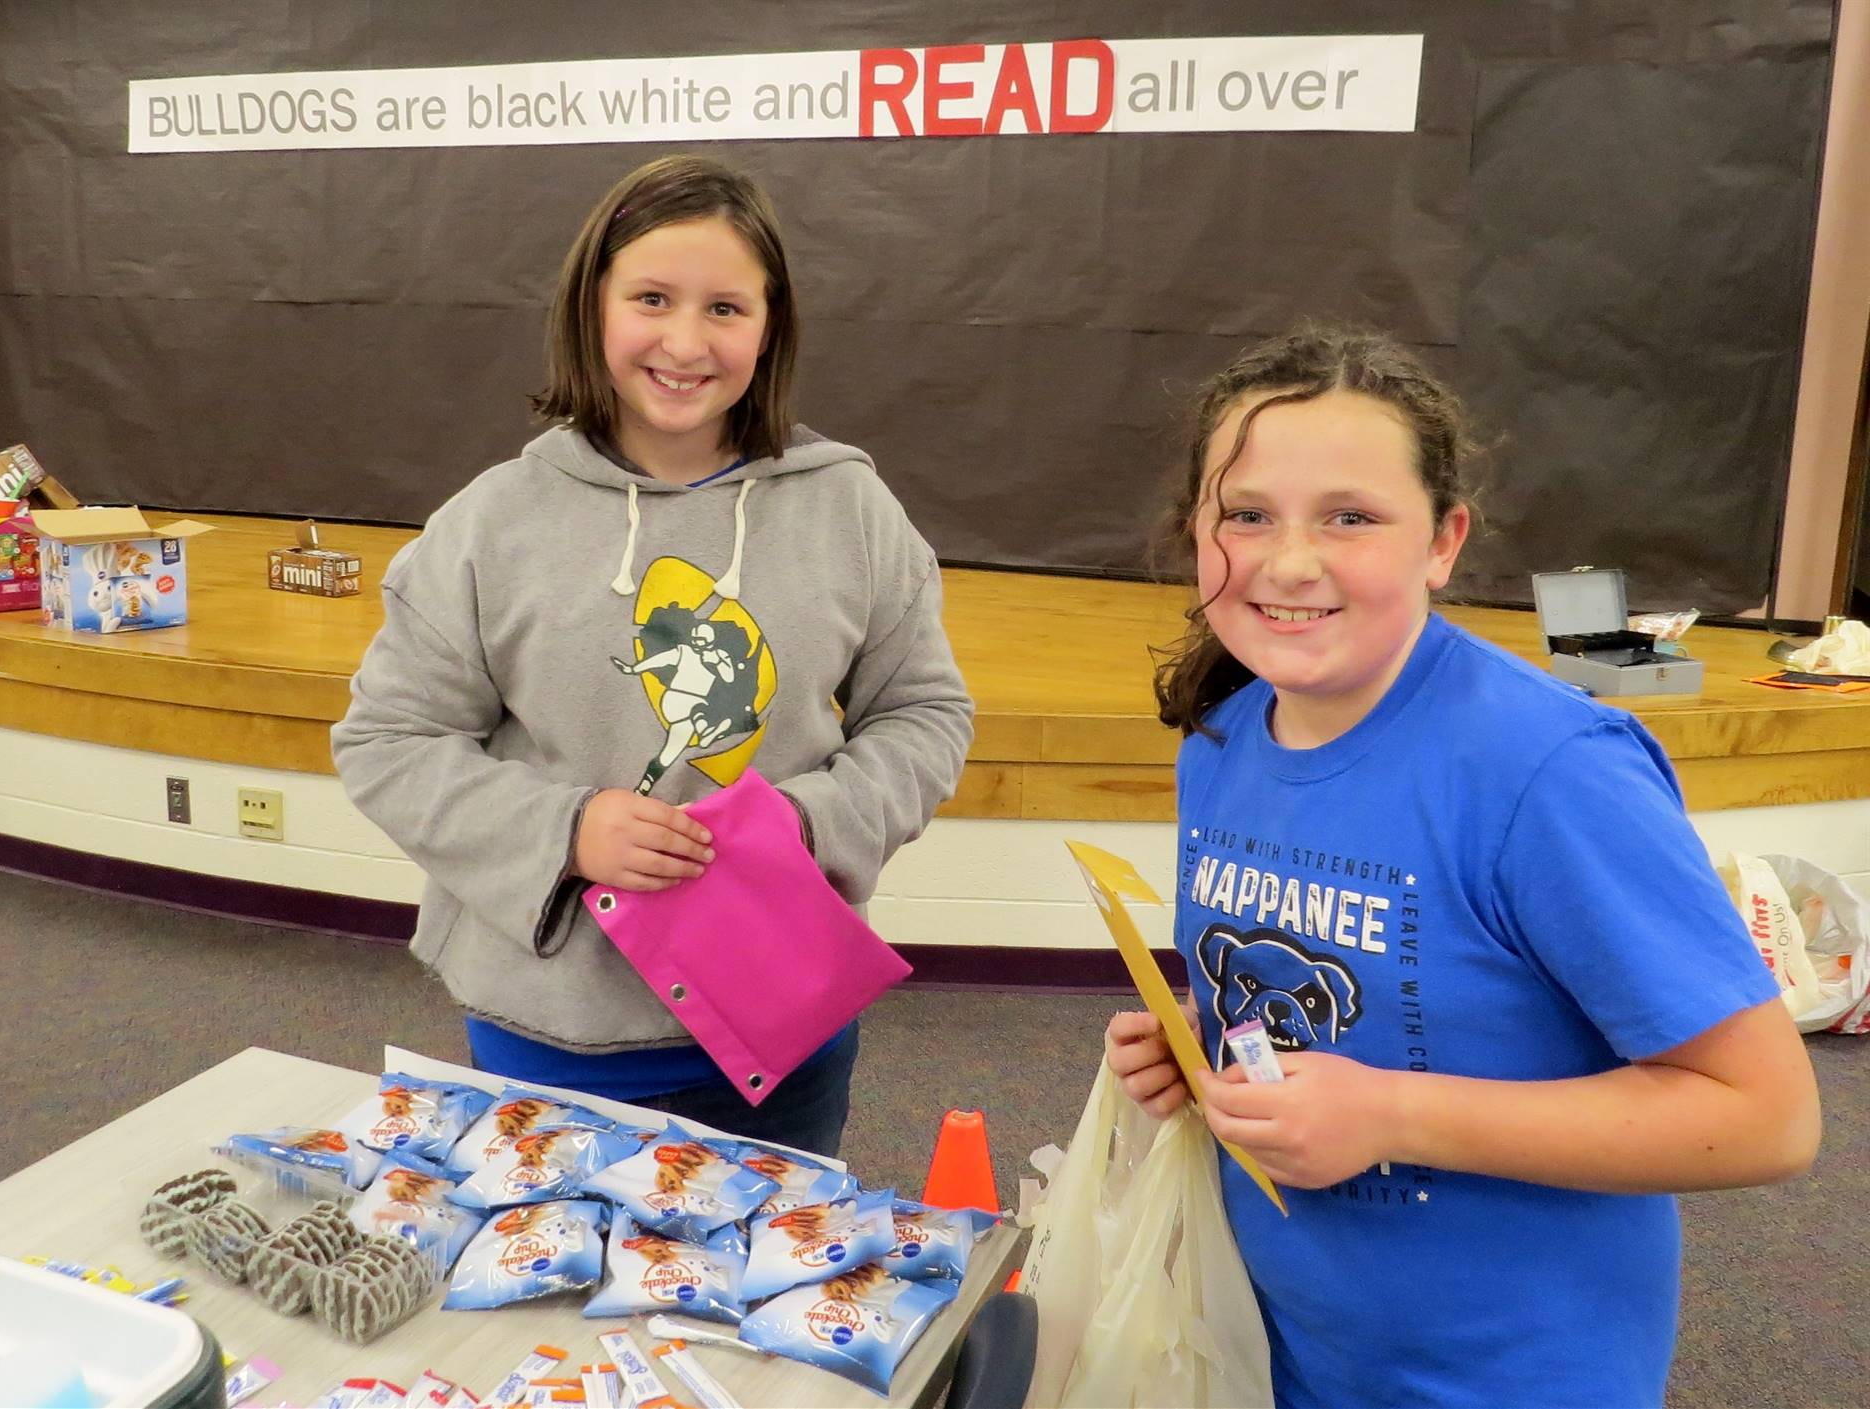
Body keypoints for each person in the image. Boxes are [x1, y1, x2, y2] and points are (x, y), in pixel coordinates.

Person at [1104, 323, 1820, 1407]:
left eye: (1351, 516)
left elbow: (1768, 1115)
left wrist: (1391, 1113)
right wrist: (1204, 1045)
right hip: (1279, 1348)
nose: (1289, 560)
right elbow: (1343, 1006)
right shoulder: (1227, 737)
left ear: (1442, 541)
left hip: (1510, 1374)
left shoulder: (1549, 772)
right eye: (1246, 514)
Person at [333, 154, 973, 1157]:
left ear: (771, 327)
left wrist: (806, 822)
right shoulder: (491, 523)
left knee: (766, 1289)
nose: (685, 340)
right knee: (555, 1296)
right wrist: (565, 831)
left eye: (725, 307)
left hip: (780, 1026)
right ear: (594, 308)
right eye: (652, 298)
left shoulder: (850, 508)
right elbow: (388, 740)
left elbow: (926, 713)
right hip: (551, 1034)